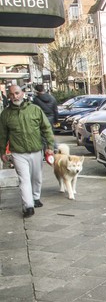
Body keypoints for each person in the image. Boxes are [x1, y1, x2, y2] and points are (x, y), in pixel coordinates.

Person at [0, 85, 55, 218]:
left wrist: (50, 147)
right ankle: (28, 206)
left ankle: (35, 197)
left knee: (36, 177)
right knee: (24, 179)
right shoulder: (6, 114)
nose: (15, 96)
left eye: (17, 93)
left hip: (36, 150)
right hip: (18, 152)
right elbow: (2, 134)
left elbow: (46, 128)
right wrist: (2, 151)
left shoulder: (35, 109)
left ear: (23, 93)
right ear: (9, 96)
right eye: (12, 94)